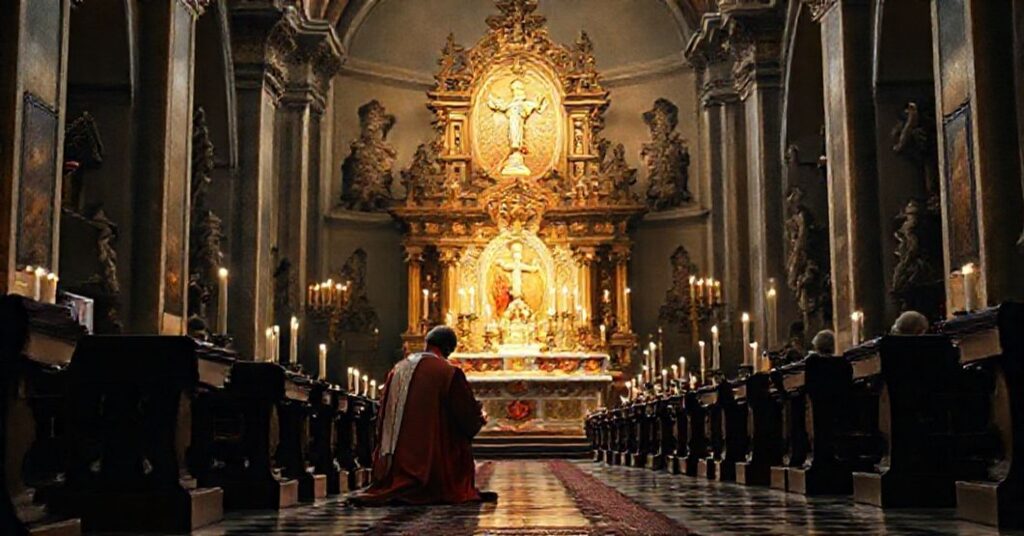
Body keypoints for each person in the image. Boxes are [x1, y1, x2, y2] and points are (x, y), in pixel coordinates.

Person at [350, 326, 495, 505]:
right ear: (449, 348)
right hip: (432, 464)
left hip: (394, 463)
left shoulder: (398, 369)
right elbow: (465, 415)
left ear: (427, 343)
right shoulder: (448, 372)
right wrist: (479, 415)